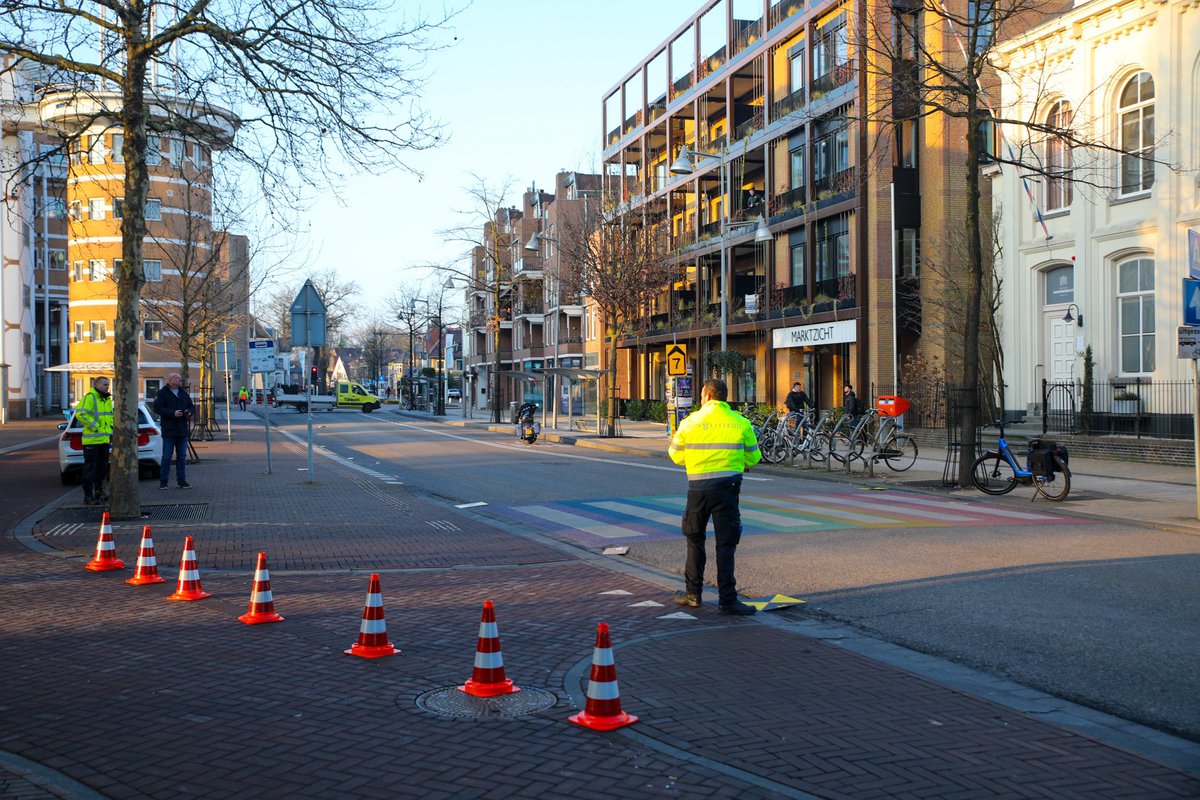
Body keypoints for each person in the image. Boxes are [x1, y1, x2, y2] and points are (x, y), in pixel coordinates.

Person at [667, 378, 761, 616]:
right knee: (726, 544)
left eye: (701, 395)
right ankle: (727, 600)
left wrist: (696, 460)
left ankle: (693, 594)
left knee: (694, 539)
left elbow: (675, 456)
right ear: (723, 397)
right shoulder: (740, 422)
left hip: (697, 489)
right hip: (727, 489)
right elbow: (754, 457)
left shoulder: (689, 422)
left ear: (707, 396)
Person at [76, 376, 113, 506]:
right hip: (92, 441)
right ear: (96, 385)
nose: (107, 387)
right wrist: (95, 426)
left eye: (108, 384)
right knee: (90, 469)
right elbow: (80, 414)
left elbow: (109, 418)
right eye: (104, 384)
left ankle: (99, 493)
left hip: (104, 440)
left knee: (102, 469)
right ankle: (88, 496)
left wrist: (110, 430)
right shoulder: (90, 398)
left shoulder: (106, 400)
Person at [155, 373, 195, 489]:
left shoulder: (183, 393)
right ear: (170, 380)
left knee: (182, 456)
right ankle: (164, 482)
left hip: (182, 429)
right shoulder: (162, 393)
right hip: (169, 429)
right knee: (167, 456)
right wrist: (172, 413)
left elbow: (191, 406)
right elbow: (158, 408)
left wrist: (189, 412)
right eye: (177, 378)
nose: (180, 379)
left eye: (180, 378)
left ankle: (181, 480)